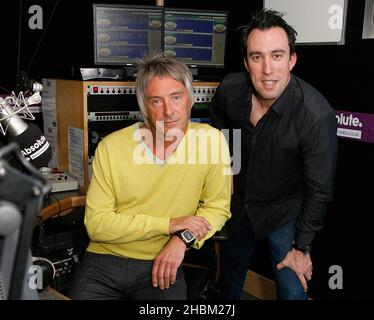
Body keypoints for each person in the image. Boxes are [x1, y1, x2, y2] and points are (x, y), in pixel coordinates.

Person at [69, 52, 231, 300]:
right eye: (157, 101)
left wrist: (181, 240)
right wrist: (169, 224)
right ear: (144, 107)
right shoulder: (111, 147)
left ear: (189, 98)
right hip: (103, 260)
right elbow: (97, 225)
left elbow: (218, 209)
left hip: (162, 259)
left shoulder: (211, 141)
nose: (169, 111)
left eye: (176, 97)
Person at [210, 9, 337, 300]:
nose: (268, 69)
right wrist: (227, 164)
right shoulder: (230, 89)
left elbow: (320, 191)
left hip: (284, 211)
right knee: (229, 277)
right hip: (239, 204)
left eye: (277, 56)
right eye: (257, 57)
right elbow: (217, 116)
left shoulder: (316, 115)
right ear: (246, 62)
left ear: (292, 60)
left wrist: (301, 247)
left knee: (293, 292)